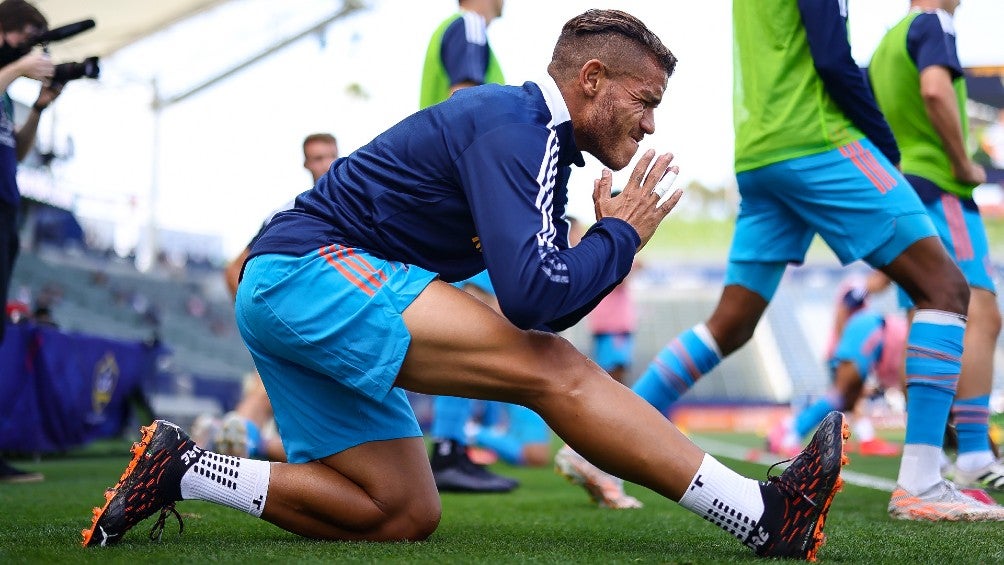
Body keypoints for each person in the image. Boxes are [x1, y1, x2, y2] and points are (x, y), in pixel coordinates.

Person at [83, 11, 850, 560]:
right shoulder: (517, 127)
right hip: (305, 272)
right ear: (591, 79)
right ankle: (762, 514)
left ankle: (189, 469)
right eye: (645, 101)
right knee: (549, 368)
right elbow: (533, 302)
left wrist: (607, 241)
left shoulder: (535, 145)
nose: (649, 125)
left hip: (291, 286)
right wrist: (620, 235)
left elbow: (551, 290)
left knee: (402, 510)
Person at [556, 1, 1004, 521]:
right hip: (816, 140)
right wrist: (882, 145)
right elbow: (833, 58)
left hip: (759, 153)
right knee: (946, 288)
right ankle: (923, 481)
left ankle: (596, 450)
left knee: (729, 325)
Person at [869, 0, 1004, 497]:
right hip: (943, 188)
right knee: (982, 313)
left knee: (927, 318)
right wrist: (961, 162)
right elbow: (934, 88)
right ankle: (971, 452)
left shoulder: (887, 40)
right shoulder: (935, 23)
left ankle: (925, 459)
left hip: (904, 190)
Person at [418, 0, 519, 493]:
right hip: (459, 193)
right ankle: (448, 449)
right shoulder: (470, 25)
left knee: (476, 313)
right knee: (477, 312)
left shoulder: (460, 29)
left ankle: (450, 446)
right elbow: (466, 106)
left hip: (445, 190)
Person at [198, 132, 340, 463]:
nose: (325, 164)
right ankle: (242, 442)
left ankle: (225, 438)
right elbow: (234, 270)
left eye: (330, 156)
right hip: (307, 326)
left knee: (266, 397)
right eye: (317, 158)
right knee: (333, 441)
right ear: (306, 164)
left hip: (324, 324)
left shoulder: (349, 204)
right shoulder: (290, 211)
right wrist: (258, 323)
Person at [0, 0, 59, 484]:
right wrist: (17, 67)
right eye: (25, 36)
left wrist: (38, 108)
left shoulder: (5, 90)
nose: (31, 48)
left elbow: (16, 149)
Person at [768, 309, 907, 458]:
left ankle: (787, 428)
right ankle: (789, 438)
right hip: (873, 332)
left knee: (847, 400)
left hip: (874, 335)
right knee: (841, 394)